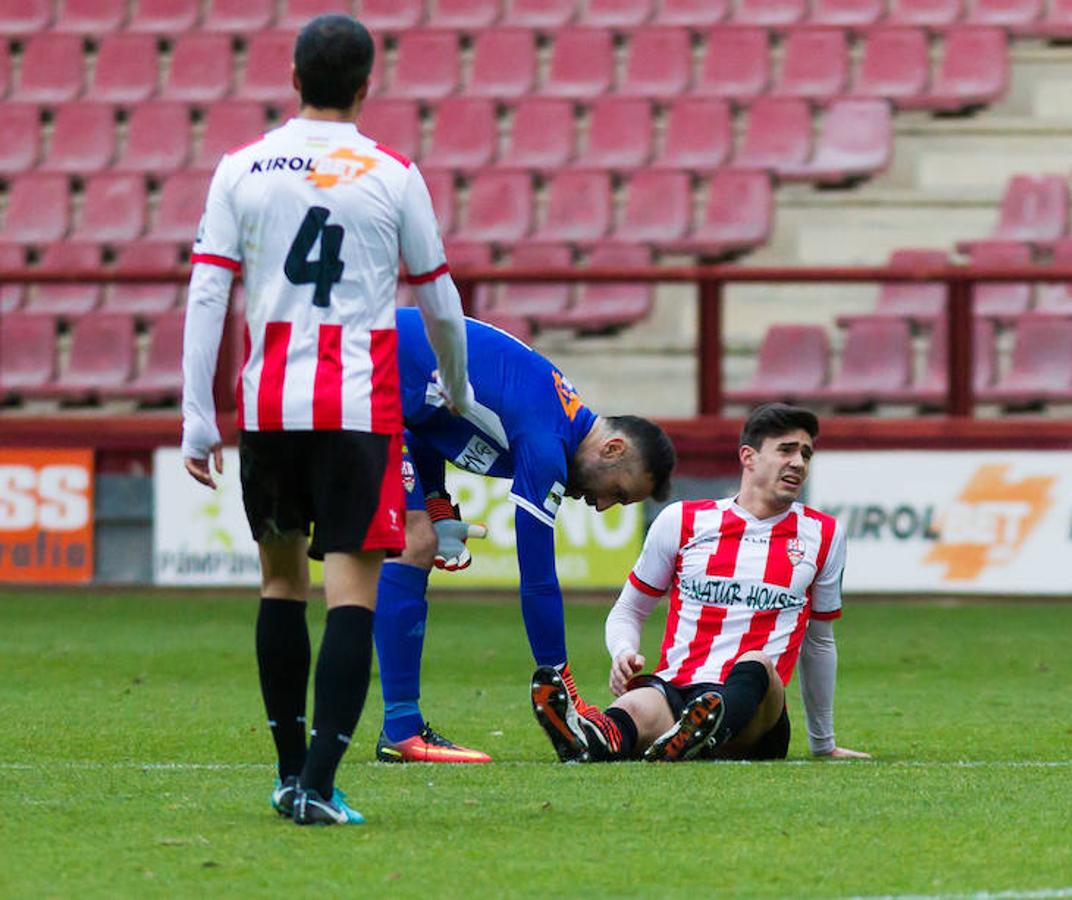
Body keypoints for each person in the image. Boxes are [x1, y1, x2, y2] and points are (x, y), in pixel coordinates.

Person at [180, 15, 473, 825]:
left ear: (292, 75)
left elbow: (208, 293)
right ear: (366, 84)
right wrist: (454, 386)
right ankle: (317, 782)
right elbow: (439, 300)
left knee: (280, 585)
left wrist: (197, 416)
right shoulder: (390, 171)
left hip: (269, 408)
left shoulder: (240, 167)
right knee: (352, 596)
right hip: (355, 408)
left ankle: (286, 773)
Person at [371, 308, 676, 763]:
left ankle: (397, 728)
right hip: (360, 372)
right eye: (617, 492)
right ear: (614, 449)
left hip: (370, 369)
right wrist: (561, 681)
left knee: (414, 540)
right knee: (413, 545)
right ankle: (399, 730)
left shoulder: (555, 413)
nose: (602, 506)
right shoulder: (546, 443)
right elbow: (537, 577)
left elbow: (426, 414)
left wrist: (435, 499)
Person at [530, 403, 869, 763]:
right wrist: (624, 651)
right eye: (786, 450)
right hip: (677, 690)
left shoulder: (824, 535)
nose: (799, 463)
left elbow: (819, 643)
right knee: (633, 707)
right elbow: (628, 610)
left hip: (757, 716)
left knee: (756, 662)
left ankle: (703, 732)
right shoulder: (683, 521)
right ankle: (589, 739)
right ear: (748, 457)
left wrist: (823, 742)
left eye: (806, 454)